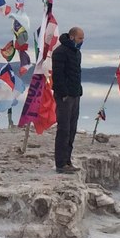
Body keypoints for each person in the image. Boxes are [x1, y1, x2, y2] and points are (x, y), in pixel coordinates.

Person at [51, 26, 85, 174]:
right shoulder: (60, 52)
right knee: (64, 129)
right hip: (64, 96)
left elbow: (76, 74)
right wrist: (63, 93)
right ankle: (60, 163)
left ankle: (68, 160)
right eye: (80, 38)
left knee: (72, 129)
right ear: (72, 37)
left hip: (75, 94)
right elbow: (58, 76)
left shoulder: (77, 53)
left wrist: (79, 90)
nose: (82, 41)